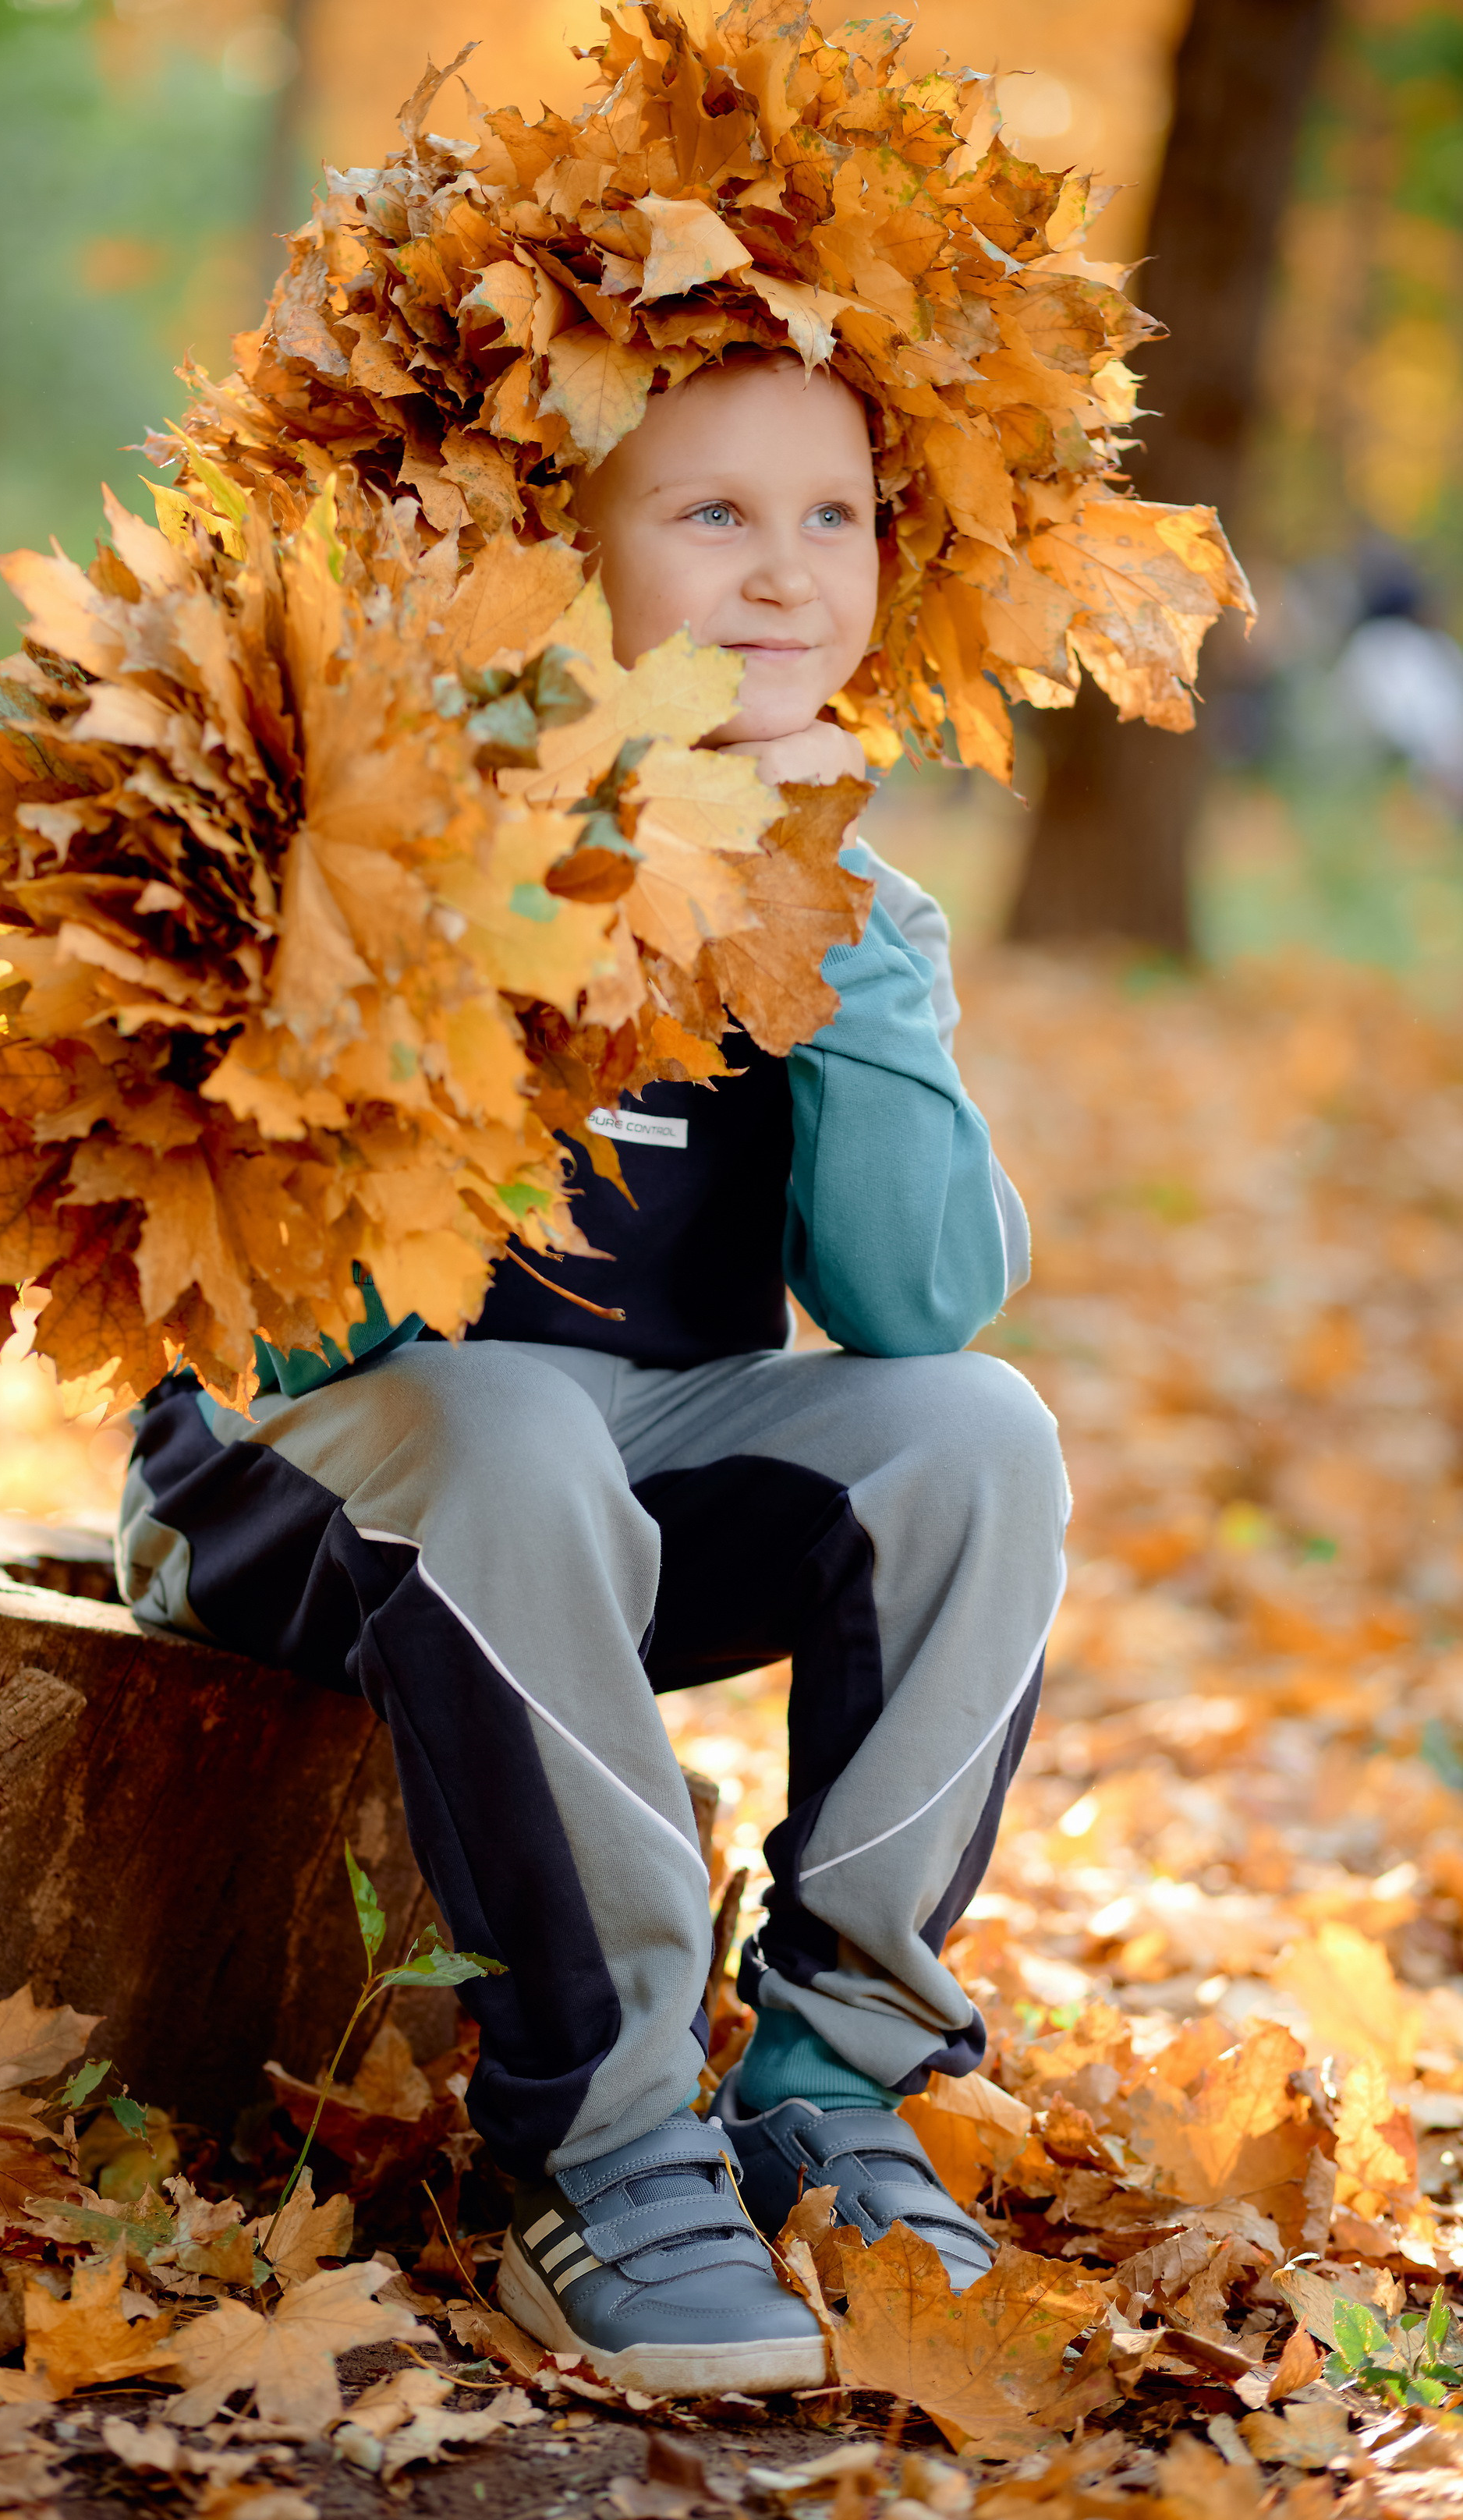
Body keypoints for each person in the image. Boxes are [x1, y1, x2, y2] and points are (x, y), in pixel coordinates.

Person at [117, 350, 1069, 2395]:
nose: (787, 572)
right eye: (712, 514)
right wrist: (499, 936)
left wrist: (834, 932)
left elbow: (916, 1301)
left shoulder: (848, 902)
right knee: (514, 1414)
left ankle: (832, 2075)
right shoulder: (393, 816)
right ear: (554, 552)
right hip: (313, 1478)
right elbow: (287, 1316)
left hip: (626, 1494)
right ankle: (602, 2136)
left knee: (976, 1436)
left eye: (833, 517)